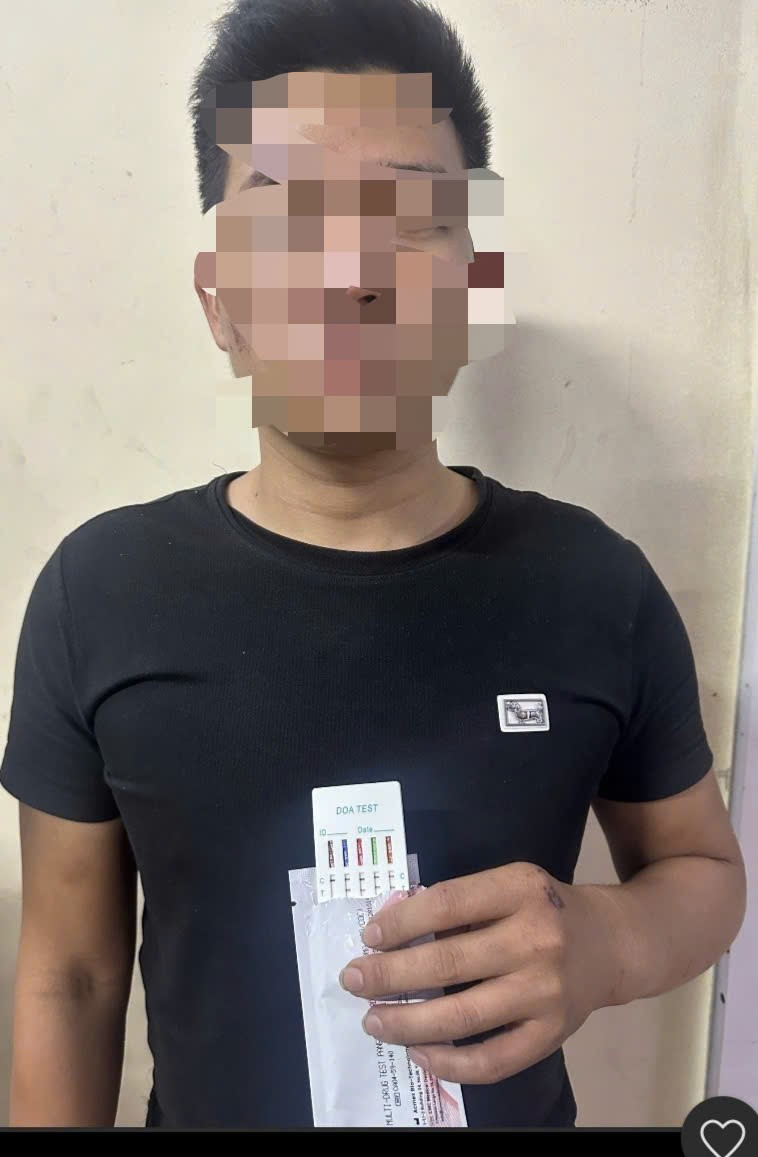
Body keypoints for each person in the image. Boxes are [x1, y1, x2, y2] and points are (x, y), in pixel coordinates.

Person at [0, 0, 745, 1132]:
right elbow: (70, 976)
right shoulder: (97, 593)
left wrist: (607, 939)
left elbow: (703, 871)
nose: (349, 273)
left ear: (471, 287)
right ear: (218, 301)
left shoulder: (596, 585)